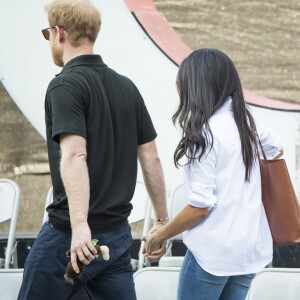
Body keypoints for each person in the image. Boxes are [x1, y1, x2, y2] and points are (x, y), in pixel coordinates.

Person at [18, 0, 168, 299]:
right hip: (117, 236)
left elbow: (75, 155)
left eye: (48, 34)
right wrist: (162, 222)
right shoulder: (127, 87)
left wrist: (80, 228)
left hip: (70, 236)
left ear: (59, 33)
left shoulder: (65, 86)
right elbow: (151, 155)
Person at [143, 48, 284, 300]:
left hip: (213, 254)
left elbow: (199, 208)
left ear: (196, 87)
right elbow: (276, 149)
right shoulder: (246, 123)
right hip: (247, 250)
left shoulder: (204, 135)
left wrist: (160, 235)